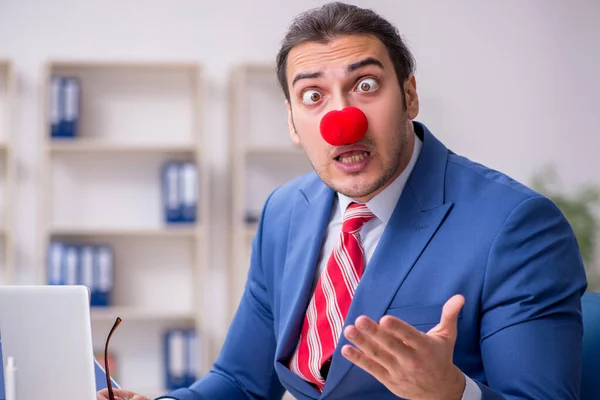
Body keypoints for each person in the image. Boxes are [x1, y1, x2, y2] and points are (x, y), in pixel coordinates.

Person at [98, 2, 587, 399]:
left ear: (410, 96)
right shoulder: (285, 212)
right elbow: (241, 383)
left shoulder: (516, 225)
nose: (342, 119)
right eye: (313, 96)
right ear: (292, 122)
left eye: (366, 85)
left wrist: (453, 393)